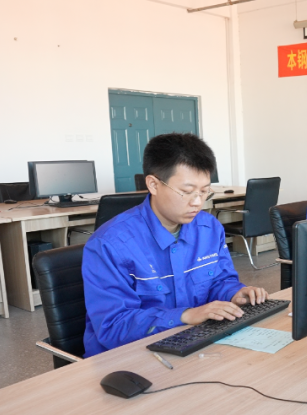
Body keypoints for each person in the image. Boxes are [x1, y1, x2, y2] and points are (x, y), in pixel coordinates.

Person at [82, 133, 267, 356]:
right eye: (187, 192)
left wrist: (234, 293)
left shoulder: (209, 228)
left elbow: (220, 281)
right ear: (153, 184)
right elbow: (113, 326)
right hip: (127, 357)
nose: (197, 202)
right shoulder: (108, 245)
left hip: (192, 343)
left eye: (204, 191)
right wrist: (184, 316)